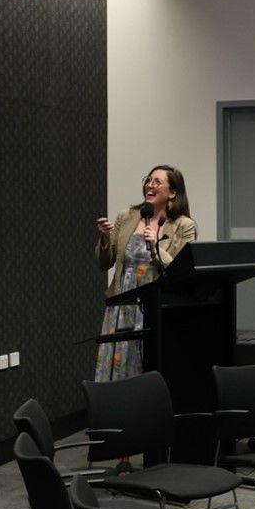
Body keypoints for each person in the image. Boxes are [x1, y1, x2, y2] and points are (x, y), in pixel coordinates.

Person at [94, 164, 197, 382]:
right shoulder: (127, 216)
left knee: (149, 366)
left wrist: (155, 247)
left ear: (173, 192)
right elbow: (105, 262)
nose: (150, 185)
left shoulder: (183, 225)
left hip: (155, 307)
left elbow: (183, 271)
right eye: (148, 180)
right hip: (122, 305)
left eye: (157, 182)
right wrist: (105, 237)